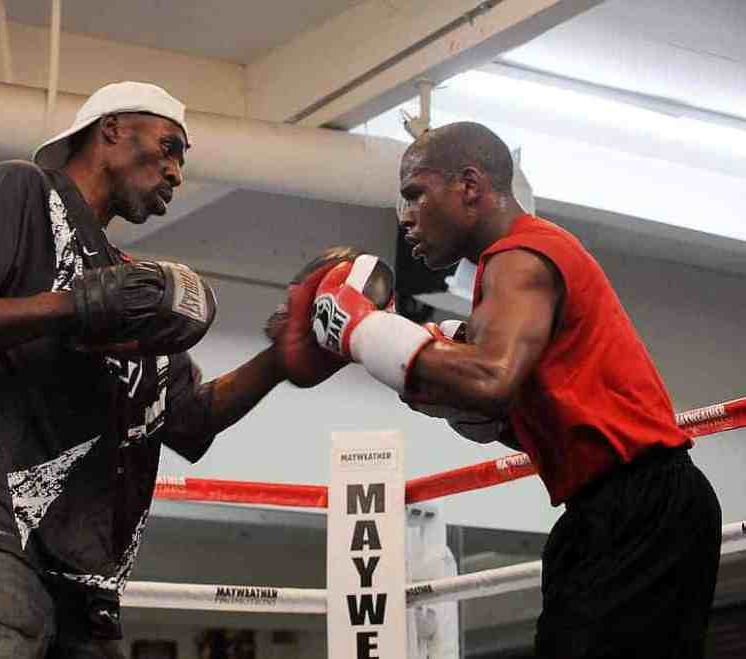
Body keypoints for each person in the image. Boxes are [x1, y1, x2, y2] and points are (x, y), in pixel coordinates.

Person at [0, 81, 357, 659]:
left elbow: (189, 420)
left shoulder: (133, 287)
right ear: (113, 129)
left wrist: (281, 360)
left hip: (83, 571)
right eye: (170, 148)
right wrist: (78, 306)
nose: (176, 173)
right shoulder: (24, 191)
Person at [308, 121, 722, 658]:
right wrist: (444, 388)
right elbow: (524, 411)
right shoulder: (510, 268)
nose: (405, 216)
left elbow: (489, 379)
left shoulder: (522, 255)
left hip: (643, 504)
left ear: (470, 186)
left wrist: (364, 331)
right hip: (609, 510)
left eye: (416, 194)